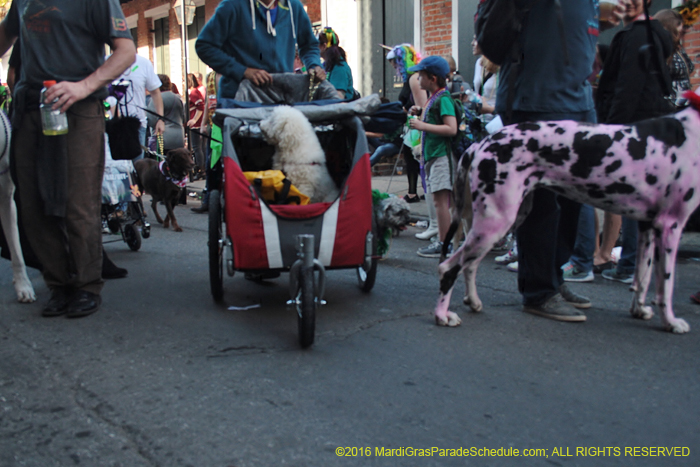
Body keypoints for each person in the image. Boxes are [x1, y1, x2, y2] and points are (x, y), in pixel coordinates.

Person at [0, 0, 136, 318]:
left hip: (80, 107)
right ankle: (59, 284)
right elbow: (5, 36)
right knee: (32, 204)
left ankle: (87, 287)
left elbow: (125, 51)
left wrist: (84, 86)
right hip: (31, 107)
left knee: (79, 203)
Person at [495, 1, 623, 322]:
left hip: (578, 104)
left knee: (574, 198)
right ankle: (539, 290)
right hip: (536, 101)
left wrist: (606, 16)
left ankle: (553, 277)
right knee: (542, 202)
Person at [597, 0, 675, 285]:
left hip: (635, 129)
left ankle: (630, 263)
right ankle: (633, 263)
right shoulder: (656, 34)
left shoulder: (636, 35)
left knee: (634, 198)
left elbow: (627, 87)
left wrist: (612, 130)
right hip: (652, 127)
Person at [195, 0, 325, 103]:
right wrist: (243, 71)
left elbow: (309, 45)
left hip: (280, 98)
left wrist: (313, 64)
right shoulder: (232, 6)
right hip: (240, 102)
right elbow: (204, 46)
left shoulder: (294, 7)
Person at [405, 57, 457, 258]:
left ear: (432, 78)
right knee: (438, 202)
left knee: (441, 203)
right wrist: (420, 112)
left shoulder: (443, 98)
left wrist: (422, 125)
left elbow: (451, 128)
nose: (417, 79)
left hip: (441, 157)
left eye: (421, 75)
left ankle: (445, 243)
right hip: (433, 156)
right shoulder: (435, 97)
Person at [386, 44, 429, 209]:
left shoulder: (414, 78)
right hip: (411, 122)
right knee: (411, 157)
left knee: (417, 158)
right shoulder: (411, 78)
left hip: (417, 124)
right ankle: (414, 191)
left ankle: (422, 191)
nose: (393, 67)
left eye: (394, 62)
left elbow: (421, 105)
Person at [111, 54, 164, 160]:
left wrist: (160, 119)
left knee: (137, 166)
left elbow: (155, 92)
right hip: (113, 126)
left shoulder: (143, 63)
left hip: (138, 125)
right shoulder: (105, 61)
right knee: (117, 169)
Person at [192, 71, 220, 214]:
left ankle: (224, 201)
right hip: (212, 125)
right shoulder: (210, 77)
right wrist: (203, 124)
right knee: (210, 166)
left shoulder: (233, 72)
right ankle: (208, 201)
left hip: (227, 124)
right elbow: (209, 101)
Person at [655, 8, 695, 108]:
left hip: (684, 105)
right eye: (677, 31)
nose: (680, 34)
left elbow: (689, 67)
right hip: (669, 106)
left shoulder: (678, 49)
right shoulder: (660, 50)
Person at [148, 75, 186, 154]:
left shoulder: (156, 99)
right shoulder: (178, 98)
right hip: (179, 136)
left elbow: (151, 120)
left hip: (162, 137)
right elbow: (184, 118)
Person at [318, 27, 354, 99]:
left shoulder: (339, 67)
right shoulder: (325, 65)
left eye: (316, 44)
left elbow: (338, 97)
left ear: (324, 46)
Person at [187, 73, 206, 179]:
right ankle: (202, 169)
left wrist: (194, 120)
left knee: (197, 147)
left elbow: (200, 106)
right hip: (199, 124)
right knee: (201, 147)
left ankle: (201, 170)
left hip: (196, 125)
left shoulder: (194, 92)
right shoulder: (196, 91)